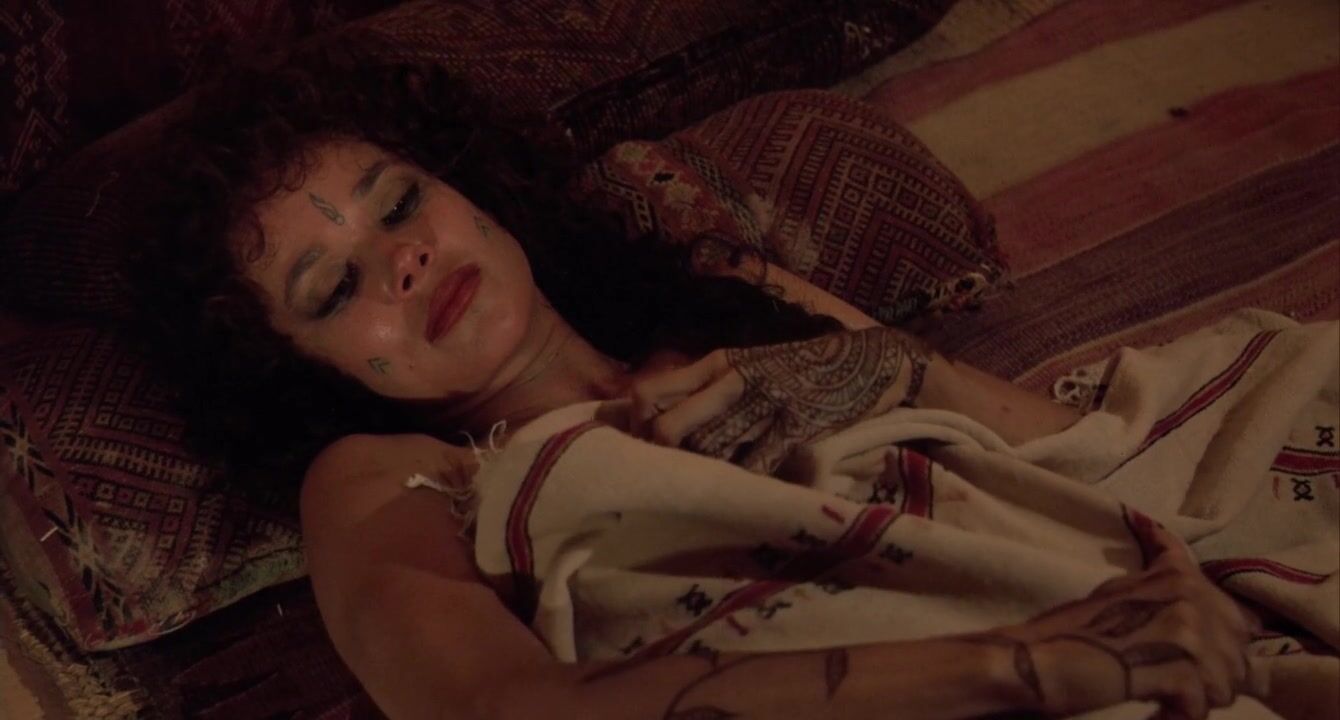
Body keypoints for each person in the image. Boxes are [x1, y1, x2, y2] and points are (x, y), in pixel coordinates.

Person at [129, 47, 1267, 720]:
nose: (405, 259)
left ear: (470, 188)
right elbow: (497, 711)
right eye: (337, 287)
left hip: (1145, 600)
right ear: (296, 367)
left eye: (400, 202)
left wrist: (881, 364)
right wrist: (1024, 663)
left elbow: (1084, 455)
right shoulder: (382, 476)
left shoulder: (731, 299)